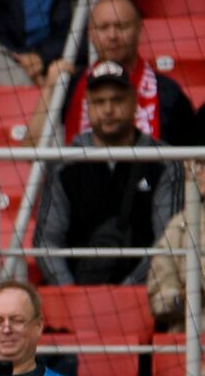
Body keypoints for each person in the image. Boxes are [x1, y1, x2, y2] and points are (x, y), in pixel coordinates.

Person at [34, 61, 182, 287]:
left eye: (117, 100)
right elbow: (47, 241)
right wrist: (71, 291)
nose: (108, 110)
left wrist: (127, 291)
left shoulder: (164, 162)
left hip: (146, 293)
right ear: (88, 106)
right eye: (99, 102)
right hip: (75, 293)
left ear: (134, 102)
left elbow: (167, 241)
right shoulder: (64, 164)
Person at [29, 0, 194, 148]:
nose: (112, 36)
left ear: (139, 29)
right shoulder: (70, 85)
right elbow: (31, 149)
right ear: (90, 33)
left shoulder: (167, 92)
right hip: (84, 172)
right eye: (103, 28)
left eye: (121, 26)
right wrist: (49, 88)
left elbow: (191, 158)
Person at [147, 160, 205, 334]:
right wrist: (182, 298)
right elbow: (157, 302)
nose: (200, 173)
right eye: (199, 167)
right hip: (188, 337)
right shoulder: (178, 226)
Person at [0, 0, 76, 87]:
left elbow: (73, 39)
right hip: (15, 65)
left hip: (54, 65)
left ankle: (40, 95)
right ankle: (36, 94)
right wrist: (23, 62)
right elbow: (0, 36)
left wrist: (41, 57)